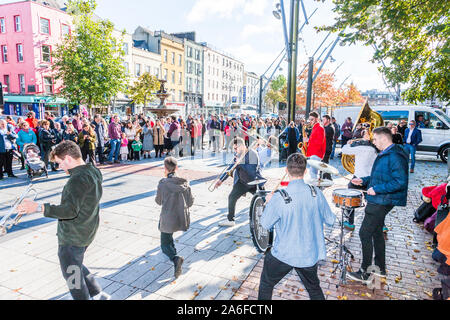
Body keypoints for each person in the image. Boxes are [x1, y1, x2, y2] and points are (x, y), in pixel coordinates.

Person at [17, 141, 110, 300]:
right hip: (87, 229)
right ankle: (97, 293)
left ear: (68, 158)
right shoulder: (93, 170)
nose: (60, 167)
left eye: (59, 163)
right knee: (75, 264)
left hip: (73, 235)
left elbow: (69, 211)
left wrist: (38, 207)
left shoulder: (77, 179)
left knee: (71, 273)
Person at [258, 153, 336, 300]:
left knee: (266, 284)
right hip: (309, 253)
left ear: (286, 171)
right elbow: (331, 220)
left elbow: (265, 224)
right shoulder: (316, 193)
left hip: (284, 253)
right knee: (314, 289)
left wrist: (268, 203)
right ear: (305, 171)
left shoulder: (279, 197)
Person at [348, 127, 409, 282]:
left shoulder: (395, 155)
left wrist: (377, 189)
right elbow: (380, 176)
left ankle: (365, 273)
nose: (373, 142)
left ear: (383, 138)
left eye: (374, 139)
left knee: (364, 233)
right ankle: (380, 268)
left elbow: (400, 182)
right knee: (376, 233)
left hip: (381, 200)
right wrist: (365, 181)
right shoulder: (387, 153)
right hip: (381, 198)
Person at [155, 157, 194, 279]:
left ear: (165, 169)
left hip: (168, 217)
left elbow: (158, 201)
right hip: (181, 217)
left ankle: (175, 258)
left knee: (164, 243)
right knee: (166, 233)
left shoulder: (163, 183)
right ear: (176, 168)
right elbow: (190, 202)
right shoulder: (184, 183)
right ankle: (174, 251)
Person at [214, 137, 265, 227]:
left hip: (254, 182)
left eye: (235, 148)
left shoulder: (252, 153)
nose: (235, 150)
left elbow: (252, 171)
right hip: (242, 182)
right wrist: (221, 180)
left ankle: (266, 218)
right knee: (232, 197)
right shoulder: (238, 154)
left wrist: (241, 162)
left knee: (263, 201)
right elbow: (230, 168)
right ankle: (231, 220)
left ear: (241, 146)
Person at [341, 130, 379, 231]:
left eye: (364, 134)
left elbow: (344, 150)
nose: (363, 136)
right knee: (373, 202)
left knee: (349, 199)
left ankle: (350, 223)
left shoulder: (361, 148)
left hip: (359, 177)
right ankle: (381, 224)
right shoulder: (376, 149)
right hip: (371, 178)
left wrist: (348, 144)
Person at [306, 112, 326, 180]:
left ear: (317, 119)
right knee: (312, 173)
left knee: (313, 174)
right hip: (314, 153)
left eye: (312, 119)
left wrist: (308, 140)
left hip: (316, 153)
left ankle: (315, 188)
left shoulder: (319, 128)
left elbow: (319, 142)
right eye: (310, 119)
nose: (310, 121)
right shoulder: (315, 127)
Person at [322, 115, 335, 180]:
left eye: (324, 120)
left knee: (324, 163)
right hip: (324, 148)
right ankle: (325, 177)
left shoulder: (330, 128)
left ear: (328, 120)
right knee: (324, 163)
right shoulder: (325, 127)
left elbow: (323, 135)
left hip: (327, 148)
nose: (322, 121)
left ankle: (327, 178)